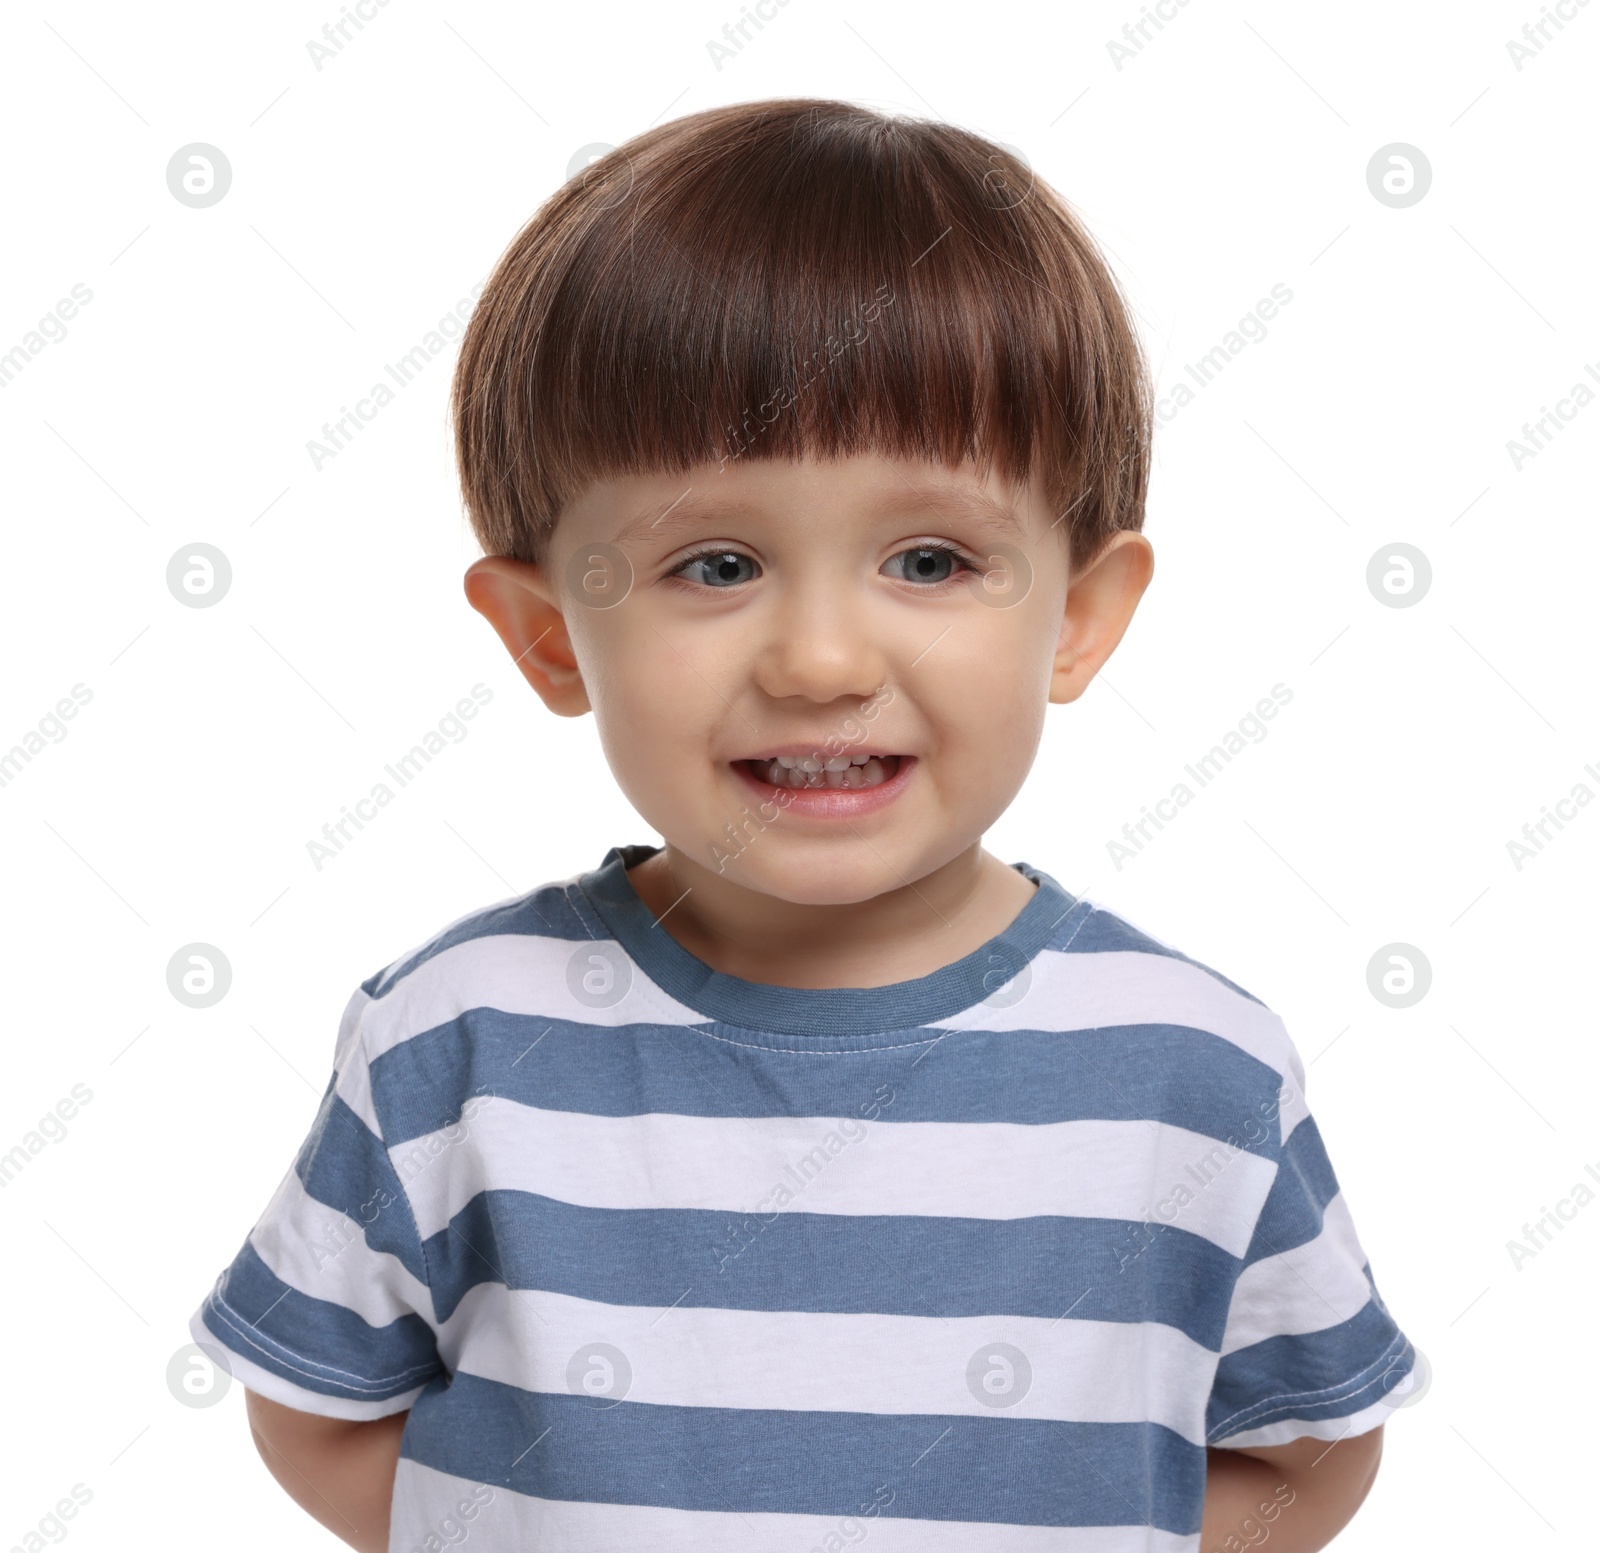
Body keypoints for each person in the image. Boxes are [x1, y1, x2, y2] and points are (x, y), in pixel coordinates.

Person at [190, 97, 1416, 1552]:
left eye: (930, 556)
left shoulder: (1192, 1069)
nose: (822, 660)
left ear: (1080, 616)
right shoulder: (458, 1043)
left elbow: (1307, 1446)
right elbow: (319, 1402)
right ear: (549, 636)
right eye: (714, 563)